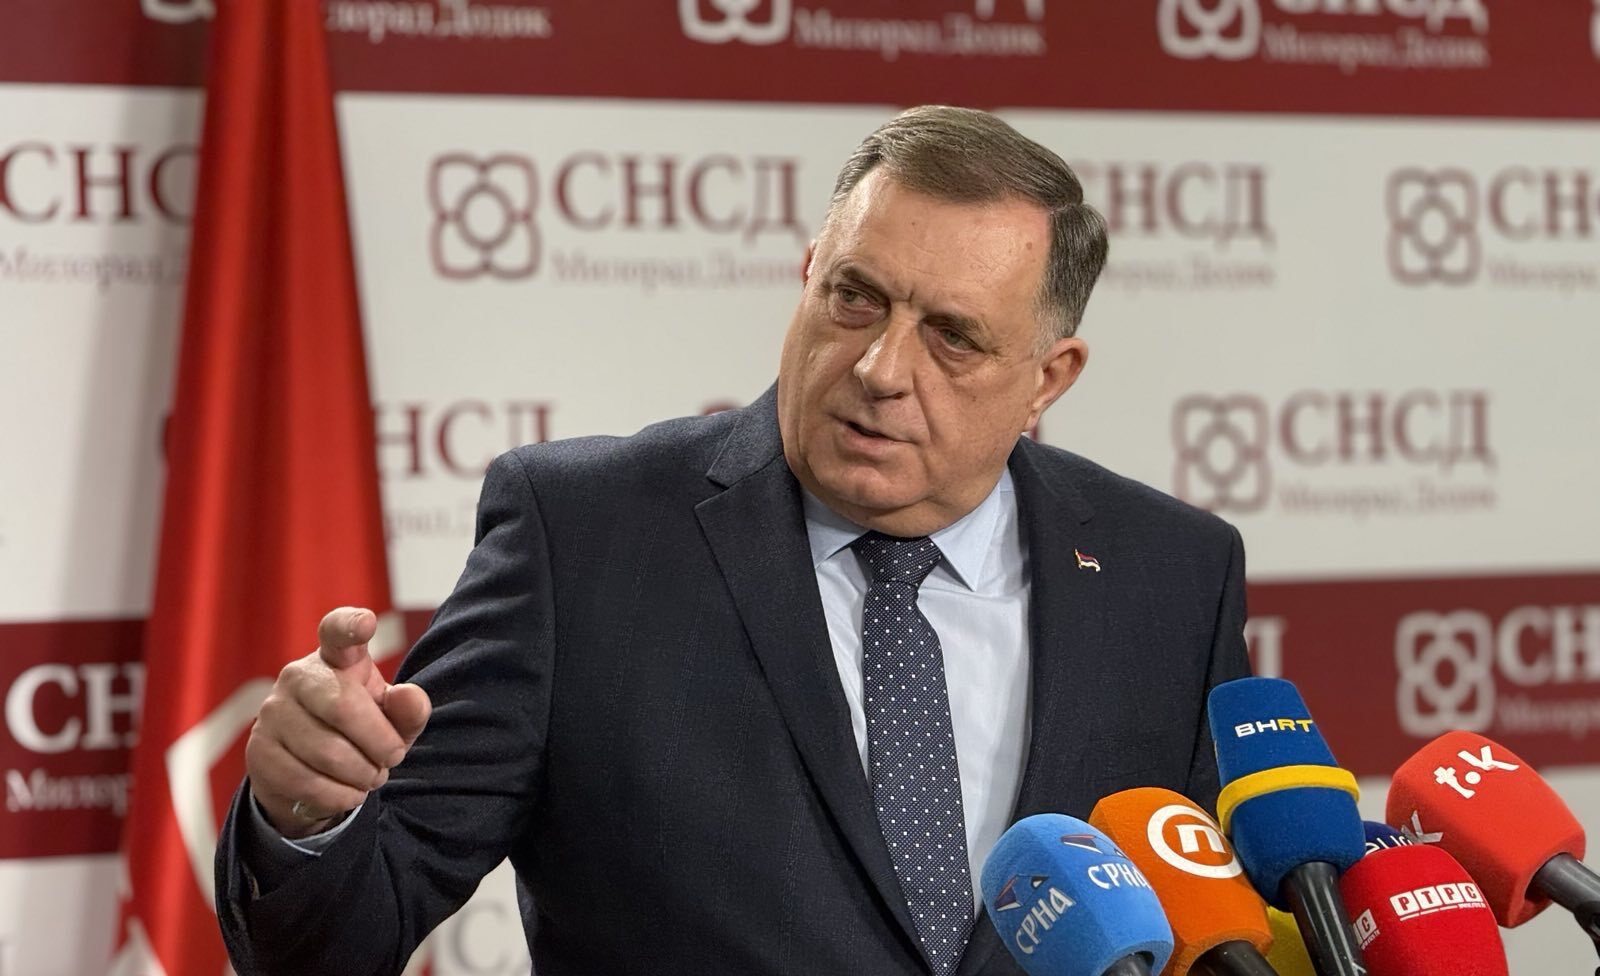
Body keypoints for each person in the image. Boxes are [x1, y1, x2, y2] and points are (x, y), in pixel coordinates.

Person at [217, 106, 1251, 976]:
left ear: (1048, 378)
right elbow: (334, 937)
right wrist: (304, 816)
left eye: (952, 336)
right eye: (855, 297)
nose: (881, 370)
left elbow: (1218, 926)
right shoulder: (581, 538)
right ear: (808, 278)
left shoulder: (1173, 574)